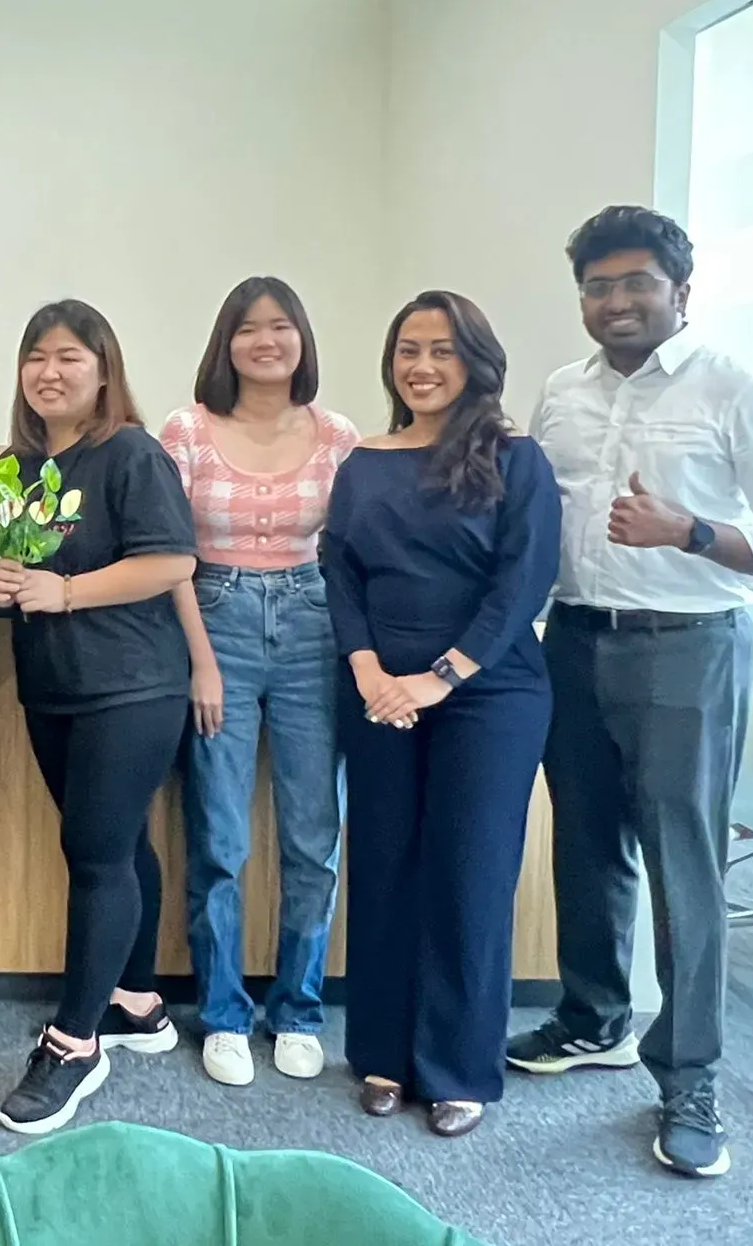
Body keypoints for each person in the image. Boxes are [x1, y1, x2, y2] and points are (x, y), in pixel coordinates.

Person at [510, 206, 753, 1179]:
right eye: (596, 286)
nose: (615, 301)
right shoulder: (561, 392)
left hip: (687, 647)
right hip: (574, 638)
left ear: (680, 291)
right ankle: (592, 1017)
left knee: (681, 862)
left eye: (635, 283)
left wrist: (688, 530)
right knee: (583, 844)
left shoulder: (735, 388)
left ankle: (690, 1078)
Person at [321, 291, 560, 1140]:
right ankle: (382, 1054)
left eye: (442, 350)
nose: (421, 366)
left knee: (470, 875)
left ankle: (459, 1068)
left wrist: (441, 677)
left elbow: (524, 582)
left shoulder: (516, 459)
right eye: (408, 350)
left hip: (489, 694)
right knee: (384, 865)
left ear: (477, 362)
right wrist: (368, 669)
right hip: (379, 688)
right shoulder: (363, 461)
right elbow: (340, 571)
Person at [0, 300, 198, 1135]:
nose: (50, 371)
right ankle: (138, 1003)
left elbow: (170, 561)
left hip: (132, 687)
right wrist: (3, 581)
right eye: (36, 356)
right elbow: (18, 567)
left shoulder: (133, 454)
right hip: (53, 686)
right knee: (117, 843)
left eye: (69, 356)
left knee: (95, 854)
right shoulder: (17, 467)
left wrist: (66, 591)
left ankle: (74, 1045)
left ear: (104, 371)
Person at [162, 277, 359, 1088]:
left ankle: (299, 1010)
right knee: (220, 837)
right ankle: (223, 1012)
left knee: (314, 836)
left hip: (316, 627)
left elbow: (354, 551)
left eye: (281, 326)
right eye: (248, 328)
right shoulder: (186, 430)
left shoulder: (339, 436)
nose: (266, 341)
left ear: (302, 339)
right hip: (217, 619)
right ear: (227, 343)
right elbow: (170, 553)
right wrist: (202, 661)